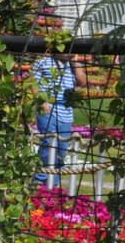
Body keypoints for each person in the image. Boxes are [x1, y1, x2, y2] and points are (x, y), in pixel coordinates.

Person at [32, 52, 87, 189]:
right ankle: (40, 180)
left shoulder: (71, 65)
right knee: (49, 144)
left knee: (62, 148)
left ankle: (54, 183)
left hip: (66, 111)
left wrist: (76, 64)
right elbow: (32, 83)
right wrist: (41, 102)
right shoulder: (43, 62)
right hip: (48, 108)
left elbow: (83, 82)